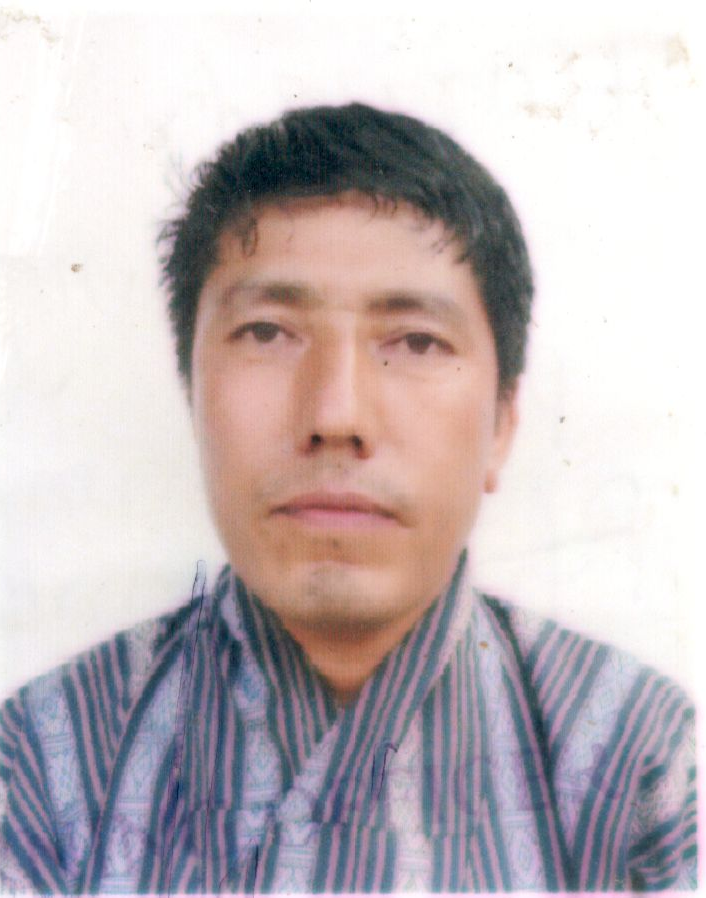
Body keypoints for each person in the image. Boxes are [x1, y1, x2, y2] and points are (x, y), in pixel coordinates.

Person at [0, 103, 695, 893]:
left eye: (417, 341)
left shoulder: (640, 759)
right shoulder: (46, 761)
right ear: (192, 393)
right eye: (268, 332)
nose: (336, 415)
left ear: (502, 422)